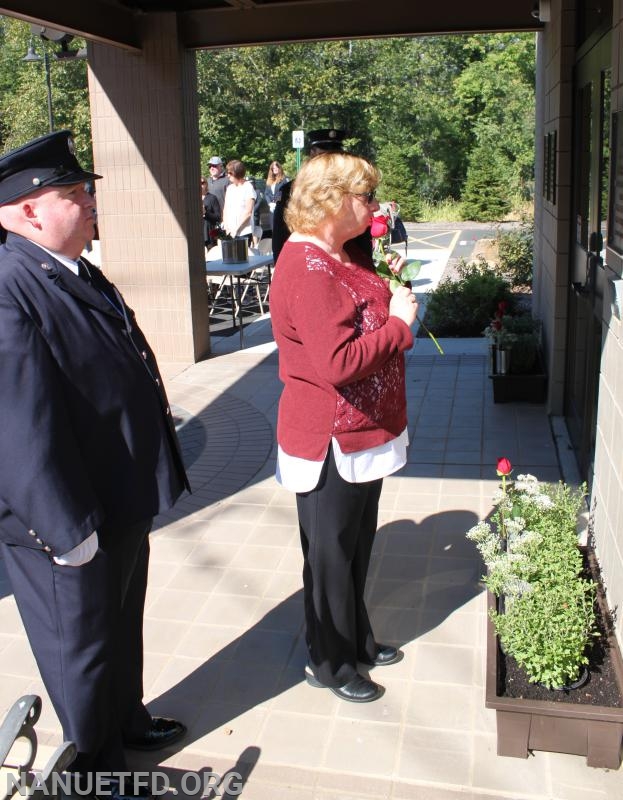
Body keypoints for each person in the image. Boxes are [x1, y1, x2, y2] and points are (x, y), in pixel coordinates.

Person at [0, 130, 189, 798]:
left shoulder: (72, 269)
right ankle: (99, 772)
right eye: (74, 193)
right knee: (79, 649)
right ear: (28, 210)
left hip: (116, 497)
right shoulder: (10, 285)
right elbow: (19, 425)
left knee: (118, 625)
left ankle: (126, 724)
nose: (88, 203)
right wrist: (64, 529)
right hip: (67, 518)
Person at [269, 152, 418, 703]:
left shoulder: (342, 252)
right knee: (331, 554)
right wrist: (400, 325)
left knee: (355, 544)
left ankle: (356, 637)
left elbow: (361, 305)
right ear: (332, 200)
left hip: (362, 431)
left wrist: (387, 288)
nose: (375, 206)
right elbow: (338, 364)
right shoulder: (306, 266)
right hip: (329, 437)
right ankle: (328, 661)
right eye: (366, 196)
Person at [271, 129, 345, 261]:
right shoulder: (290, 190)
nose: (330, 161)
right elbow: (280, 236)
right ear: (312, 155)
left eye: (335, 156)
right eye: (324, 156)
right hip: (303, 262)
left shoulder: (350, 190)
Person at [222, 159, 256, 242]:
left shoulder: (248, 187)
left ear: (237, 173)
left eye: (230, 173)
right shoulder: (230, 188)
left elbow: (248, 212)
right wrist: (226, 227)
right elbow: (226, 209)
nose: (228, 175)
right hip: (229, 232)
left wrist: (236, 229)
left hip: (243, 232)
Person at [201, 176, 221, 249]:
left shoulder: (212, 198)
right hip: (197, 230)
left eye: (202, 183)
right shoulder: (193, 198)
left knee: (212, 255)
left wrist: (206, 213)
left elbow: (218, 217)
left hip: (209, 231)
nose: (200, 185)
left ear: (206, 184)